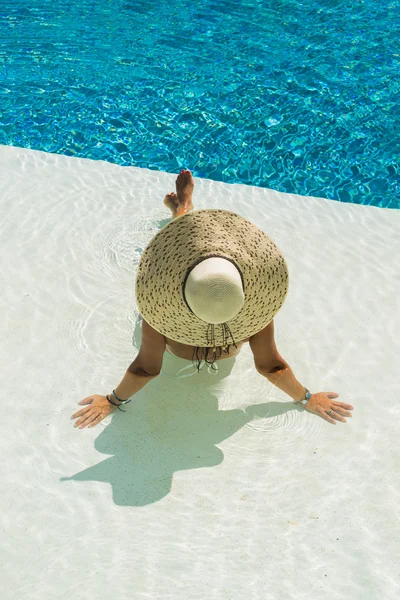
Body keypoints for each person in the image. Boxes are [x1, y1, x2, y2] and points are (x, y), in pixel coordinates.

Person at [71, 170, 354, 430]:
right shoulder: (252, 314)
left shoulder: (163, 315)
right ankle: (182, 210)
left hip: (182, 302)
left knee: (176, 253)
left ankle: (183, 212)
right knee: (183, 255)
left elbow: (146, 368)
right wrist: (306, 398)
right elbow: (270, 366)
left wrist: (113, 400)